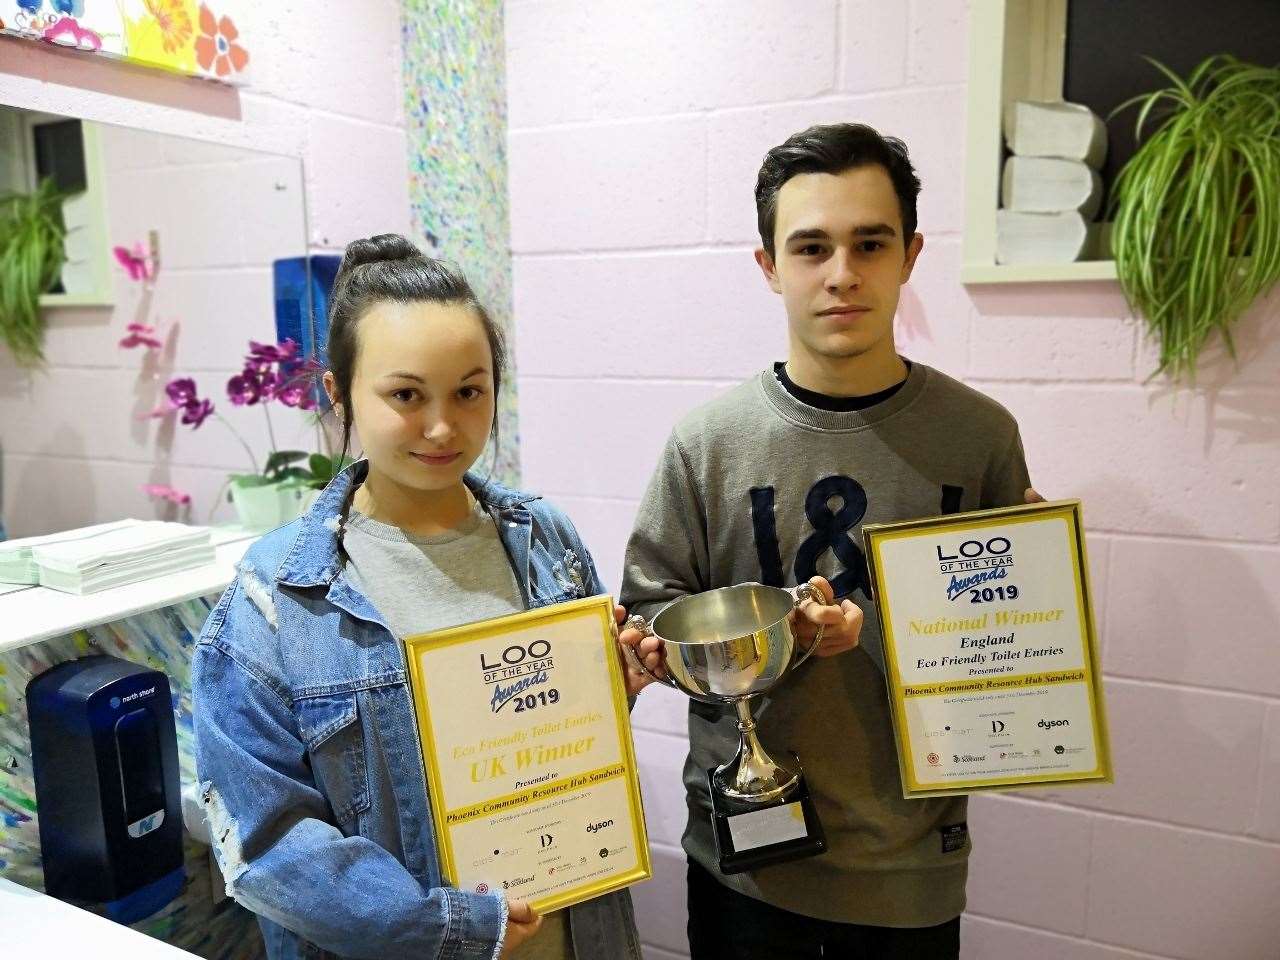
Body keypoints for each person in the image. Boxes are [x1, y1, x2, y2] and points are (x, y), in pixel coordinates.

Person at [619, 123, 1040, 959]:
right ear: (769, 265)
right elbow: (651, 612)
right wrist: (764, 641)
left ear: (910, 255)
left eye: (869, 243)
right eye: (811, 247)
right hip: (743, 865)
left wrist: (1043, 584)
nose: (842, 274)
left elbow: (1013, 656)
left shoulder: (980, 438)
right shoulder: (706, 444)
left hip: (906, 870)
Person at [192, 234, 647, 960]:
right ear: (338, 392)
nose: (443, 427)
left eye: (470, 391)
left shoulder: (544, 538)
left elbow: (556, 742)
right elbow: (267, 842)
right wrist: (453, 928)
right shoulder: (274, 599)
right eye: (406, 395)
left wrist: (608, 691)